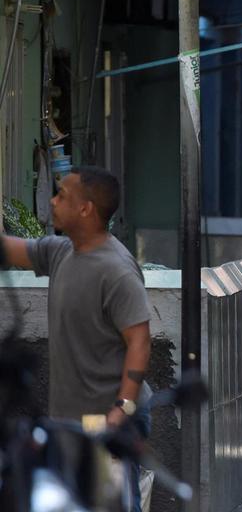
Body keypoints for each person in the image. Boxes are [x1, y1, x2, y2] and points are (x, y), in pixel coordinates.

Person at [1, 165, 152, 511]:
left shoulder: (117, 269)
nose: (53, 202)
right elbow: (11, 250)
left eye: (62, 196)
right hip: (67, 423)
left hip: (106, 424)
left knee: (107, 505)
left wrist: (120, 412)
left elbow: (140, 343)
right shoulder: (61, 252)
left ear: (85, 209)